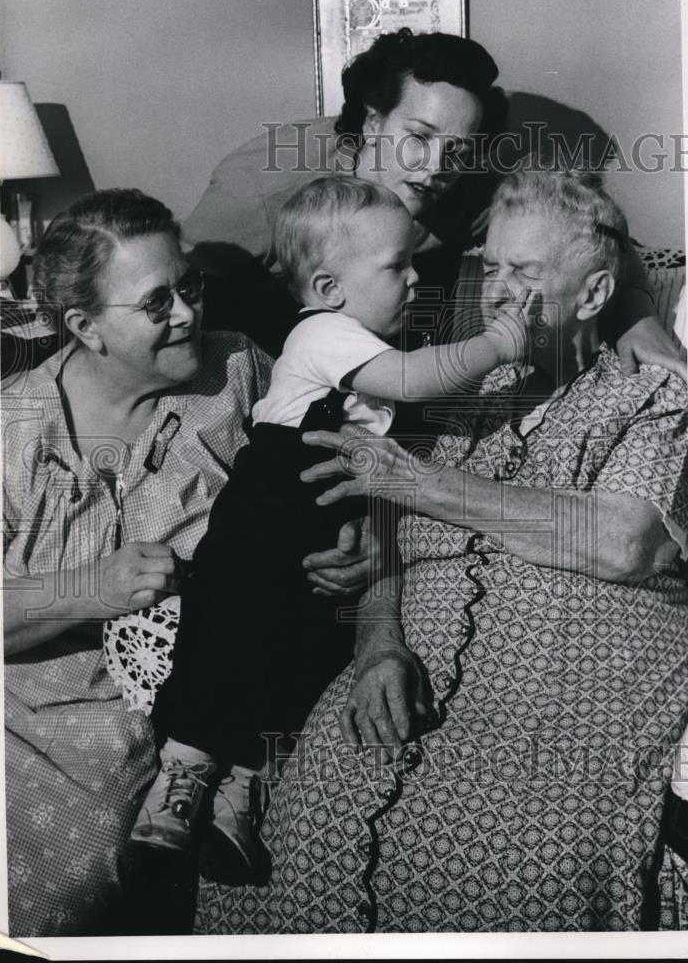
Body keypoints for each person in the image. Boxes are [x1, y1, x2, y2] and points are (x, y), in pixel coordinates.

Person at [196, 168, 688, 933]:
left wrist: (422, 484)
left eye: (522, 274)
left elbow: (625, 541)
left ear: (592, 297)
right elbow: (383, 541)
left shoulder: (648, 399)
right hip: (401, 672)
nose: (496, 292)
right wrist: (377, 642)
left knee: (514, 868)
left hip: (557, 704)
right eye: (489, 268)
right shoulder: (454, 396)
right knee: (305, 825)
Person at [133, 175, 536, 876]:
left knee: (310, 646)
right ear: (327, 287)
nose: (415, 279)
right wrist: (496, 346)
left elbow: (385, 449)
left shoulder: (372, 336)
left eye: (414, 261)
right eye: (395, 268)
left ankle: (243, 783)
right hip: (270, 502)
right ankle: (180, 775)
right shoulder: (324, 334)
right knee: (232, 624)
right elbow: (412, 381)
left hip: (325, 504)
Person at [1, 188, 374, 936]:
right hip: (17, 718)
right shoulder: (6, 431)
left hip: (163, 723)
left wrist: (354, 549)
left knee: (68, 891)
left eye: (191, 287)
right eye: (157, 302)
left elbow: (341, 477)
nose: (186, 315)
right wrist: (84, 589)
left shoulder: (239, 372)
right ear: (84, 327)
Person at [183, 28, 684, 381]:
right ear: (373, 122)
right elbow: (176, 290)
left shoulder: (462, 183)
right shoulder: (260, 186)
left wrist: (639, 322)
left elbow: (593, 235)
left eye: (458, 148)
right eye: (418, 137)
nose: (436, 166)